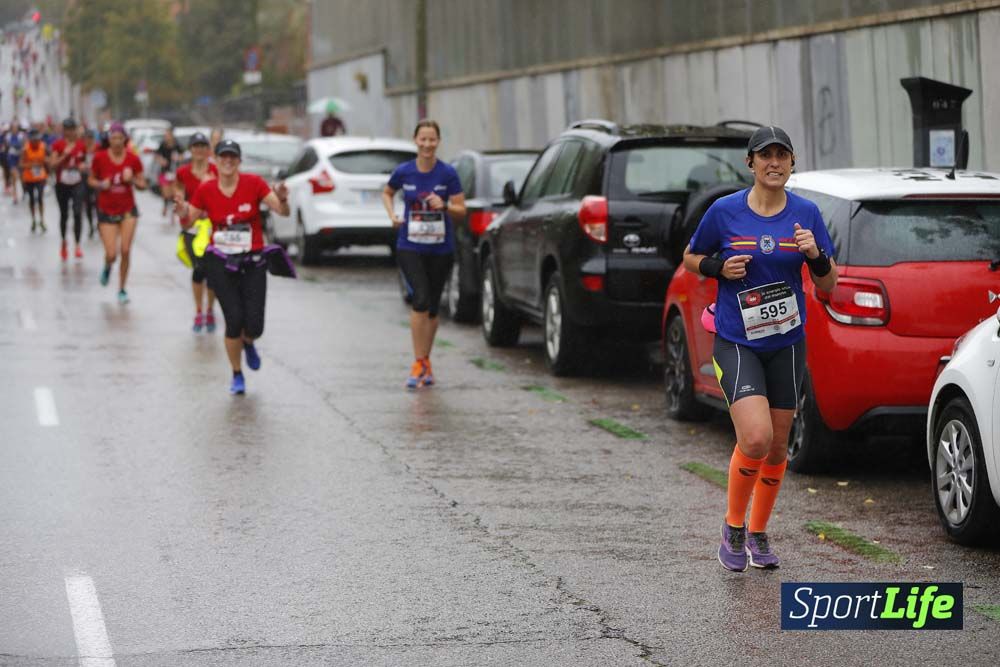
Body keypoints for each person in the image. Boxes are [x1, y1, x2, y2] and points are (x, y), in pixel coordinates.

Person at [682, 126, 838, 572]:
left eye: (781, 155)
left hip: (786, 343)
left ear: (792, 163)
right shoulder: (724, 211)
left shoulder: (806, 213)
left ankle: (758, 531)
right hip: (737, 341)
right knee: (755, 437)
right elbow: (690, 258)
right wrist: (718, 266)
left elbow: (829, 283)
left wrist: (815, 256)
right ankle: (733, 526)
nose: (774, 163)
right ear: (750, 163)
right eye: (765, 155)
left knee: (777, 447)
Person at [174, 139, 290, 395]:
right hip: (221, 262)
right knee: (234, 320)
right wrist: (182, 212)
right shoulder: (206, 189)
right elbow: (188, 222)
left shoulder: (254, 183)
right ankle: (237, 374)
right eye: (223, 156)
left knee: (255, 325)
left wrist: (283, 200)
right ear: (215, 160)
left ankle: (248, 342)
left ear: (239, 160)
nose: (228, 161)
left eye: (232, 157)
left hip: (253, 260)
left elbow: (282, 211)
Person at [382, 119, 465, 389]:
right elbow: (387, 192)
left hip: (440, 248)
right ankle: (418, 362)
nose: (427, 144)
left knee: (432, 307)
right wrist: (392, 215)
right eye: (423, 139)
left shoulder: (448, 173)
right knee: (420, 299)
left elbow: (462, 210)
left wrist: (445, 206)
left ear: (438, 142)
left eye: (432, 139)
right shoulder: (404, 171)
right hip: (410, 245)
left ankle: (426, 362)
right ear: (415, 141)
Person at [88, 122, 147, 304]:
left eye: (120, 138)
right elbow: (90, 179)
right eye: (113, 138)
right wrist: (101, 184)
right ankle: (107, 266)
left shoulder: (133, 159)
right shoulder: (100, 158)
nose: (117, 141)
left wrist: (132, 180)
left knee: (126, 250)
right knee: (112, 253)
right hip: (106, 210)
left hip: (128, 210)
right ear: (109, 139)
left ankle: (122, 288)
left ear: (125, 139)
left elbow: (143, 184)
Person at [174, 132, 219, 333]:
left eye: (203, 146)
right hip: (192, 226)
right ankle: (199, 310)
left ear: (208, 149)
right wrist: (182, 210)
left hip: (213, 227)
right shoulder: (182, 172)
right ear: (190, 149)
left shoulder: (216, 170)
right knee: (199, 269)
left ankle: (210, 309)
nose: (199, 150)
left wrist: (211, 185)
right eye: (196, 146)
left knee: (213, 272)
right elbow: (179, 197)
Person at [50, 117, 88, 260]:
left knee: (78, 213)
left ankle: (77, 245)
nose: (70, 132)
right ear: (64, 130)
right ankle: (64, 242)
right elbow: (52, 165)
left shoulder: (81, 145)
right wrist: (64, 155)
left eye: (72, 129)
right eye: (67, 129)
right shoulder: (58, 145)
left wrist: (83, 167)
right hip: (62, 184)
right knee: (64, 214)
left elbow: (84, 163)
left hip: (77, 182)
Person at [19, 127, 48, 233]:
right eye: (34, 139)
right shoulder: (25, 149)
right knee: (31, 199)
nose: (36, 141)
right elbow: (21, 164)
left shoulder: (43, 146)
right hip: (29, 178)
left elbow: (47, 159)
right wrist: (31, 165)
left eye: (37, 139)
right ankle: (33, 220)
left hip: (40, 177)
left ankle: (42, 220)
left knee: (40, 198)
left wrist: (44, 163)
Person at [155, 128, 181, 219]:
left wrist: (177, 158)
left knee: (174, 192)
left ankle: (174, 209)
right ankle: (165, 206)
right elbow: (157, 156)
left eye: (168, 135)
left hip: (174, 172)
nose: (167, 137)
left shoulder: (177, 145)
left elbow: (183, 155)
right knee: (166, 193)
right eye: (166, 136)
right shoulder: (162, 145)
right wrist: (161, 161)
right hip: (164, 171)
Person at [82, 129, 99, 239]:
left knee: (98, 202)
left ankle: (99, 223)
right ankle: (91, 226)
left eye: (90, 138)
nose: (89, 140)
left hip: (96, 178)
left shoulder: (98, 148)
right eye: (87, 138)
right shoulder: (82, 149)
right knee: (87, 203)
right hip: (85, 178)